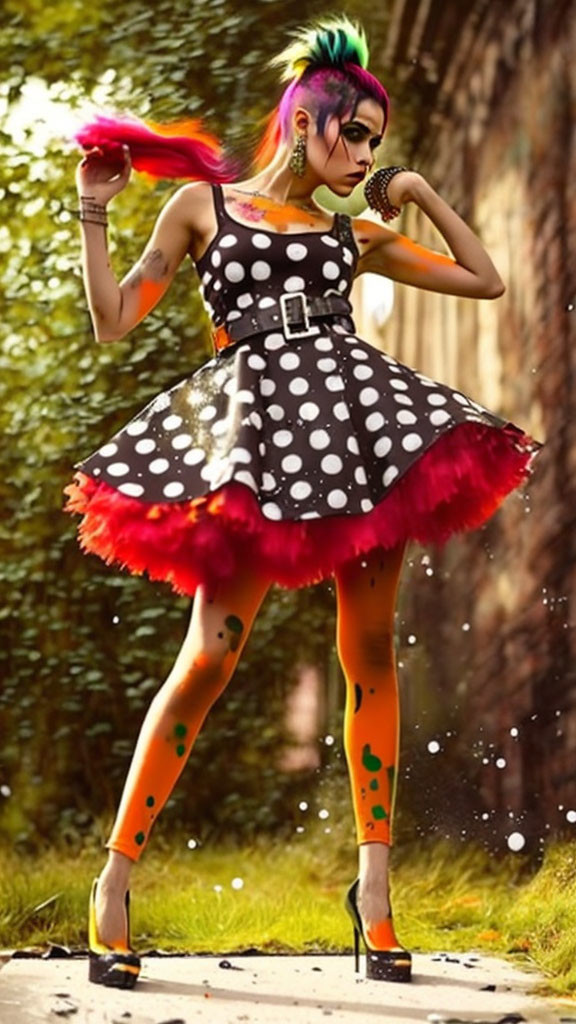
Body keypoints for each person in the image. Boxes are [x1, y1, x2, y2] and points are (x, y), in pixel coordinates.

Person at [65, 16, 539, 989]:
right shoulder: (202, 208)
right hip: (254, 443)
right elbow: (115, 323)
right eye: (354, 133)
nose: (366, 153)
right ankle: (113, 884)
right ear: (305, 123)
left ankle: (374, 894)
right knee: (211, 653)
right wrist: (94, 213)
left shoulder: (351, 232)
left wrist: (415, 193)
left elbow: (485, 281)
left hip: (358, 433)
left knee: (369, 652)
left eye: (374, 138)